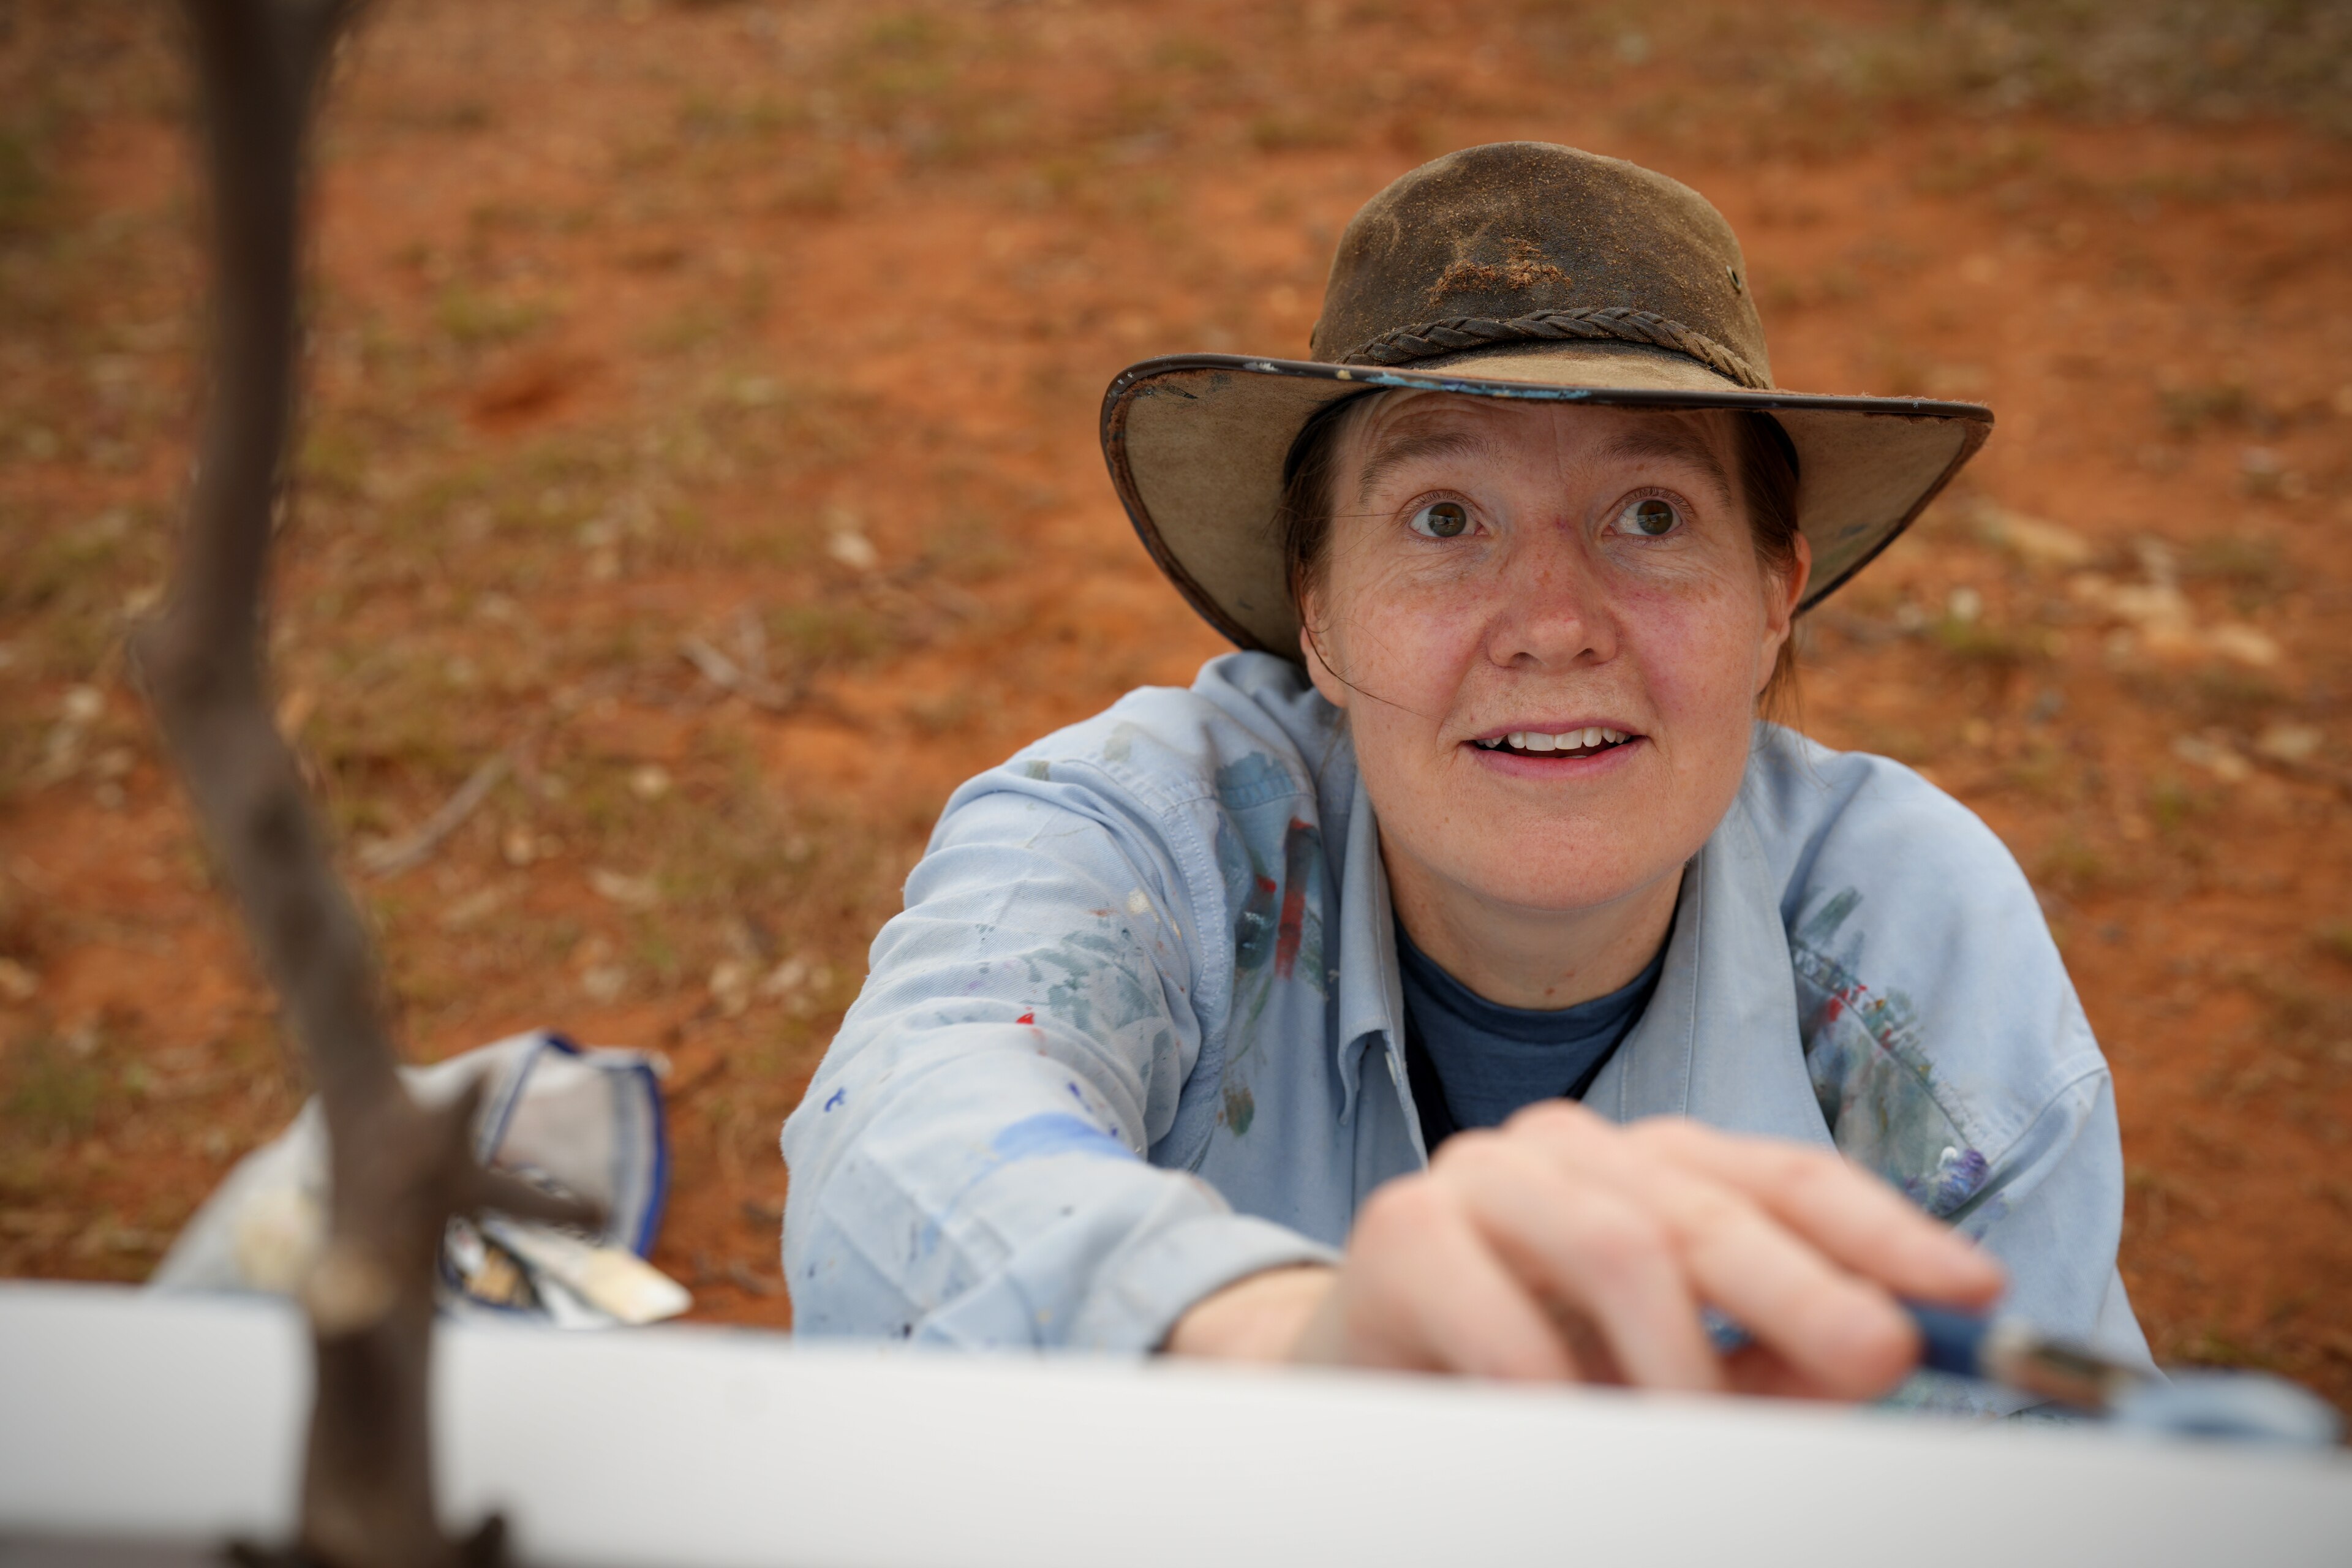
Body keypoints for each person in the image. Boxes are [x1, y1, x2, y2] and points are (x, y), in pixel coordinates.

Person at [779, 143, 2152, 1403]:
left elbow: (2063, 1489)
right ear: (1316, 606)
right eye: (1444, 518)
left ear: (1774, 594)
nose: (1554, 623)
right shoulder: (1151, 835)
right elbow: (902, 1134)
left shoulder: (1907, 936)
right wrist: (1277, 1330)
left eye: (1652, 514)